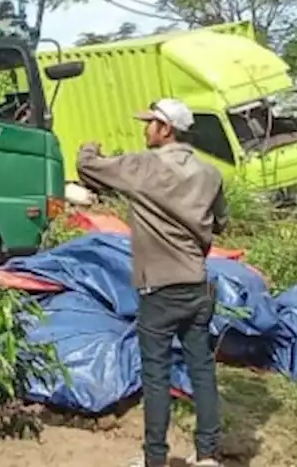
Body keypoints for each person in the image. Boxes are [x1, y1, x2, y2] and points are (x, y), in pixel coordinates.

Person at [75, 98, 228, 467]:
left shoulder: (145, 166)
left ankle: (154, 459)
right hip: (196, 284)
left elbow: (88, 167)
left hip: (158, 288)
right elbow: (220, 222)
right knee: (202, 370)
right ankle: (208, 454)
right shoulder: (210, 174)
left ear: (166, 129)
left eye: (150, 123)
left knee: (156, 376)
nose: (145, 129)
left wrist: (90, 146)